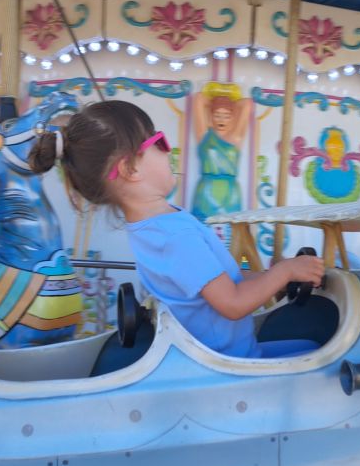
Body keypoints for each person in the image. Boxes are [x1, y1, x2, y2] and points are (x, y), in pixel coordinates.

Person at [29, 100, 325, 359]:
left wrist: (275, 278)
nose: (167, 150)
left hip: (222, 352)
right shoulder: (174, 236)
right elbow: (233, 303)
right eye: (158, 142)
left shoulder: (154, 228)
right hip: (227, 362)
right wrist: (283, 272)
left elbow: (222, 281)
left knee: (310, 345)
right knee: (321, 355)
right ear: (130, 169)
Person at [191, 82, 250, 221]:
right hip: (206, 190)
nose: (221, 120)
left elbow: (247, 103)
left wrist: (229, 99)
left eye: (227, 116)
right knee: (204, 226)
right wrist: (215, 99)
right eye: (217, 115)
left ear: (233, 117)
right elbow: (199, 98)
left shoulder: (236, 137)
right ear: (211, 116)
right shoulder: (204, 136)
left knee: (230, 229)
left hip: (230, 192)